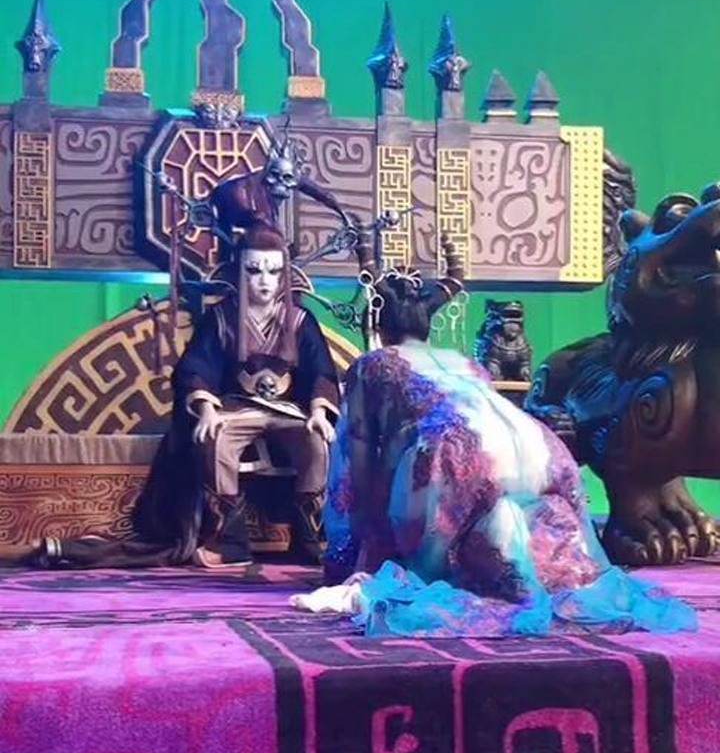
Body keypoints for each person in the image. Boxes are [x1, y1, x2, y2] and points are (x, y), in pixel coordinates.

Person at [308, 239, 696, 637]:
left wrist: (359, 549)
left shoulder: (373, 363)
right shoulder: (464, 361)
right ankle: (543, 584)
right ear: (429, 322)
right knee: (552, 559)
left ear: (377, 325)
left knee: (444, 577)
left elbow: (357, 457)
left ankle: (504, 586)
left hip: (457, 448)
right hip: (539, 444)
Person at [34, 213, 339, 570]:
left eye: (273, 271)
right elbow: (196, 367)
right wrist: (207, 410)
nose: (264, 281)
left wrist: (319, 412)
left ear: (285, 274)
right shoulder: (222, 317)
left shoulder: (301, 320)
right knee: (215, 438)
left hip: (288, 409)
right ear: (238, 271)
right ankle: (230, 540)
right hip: (238, 406)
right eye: (254, 270)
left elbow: (321, 370)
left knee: (316, 441)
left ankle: (309, 537)